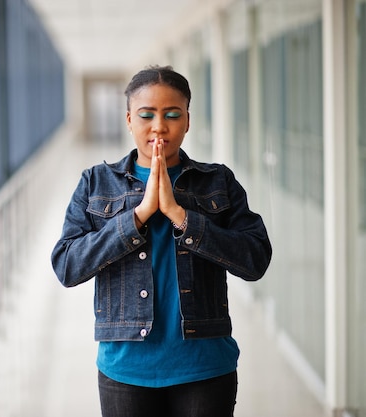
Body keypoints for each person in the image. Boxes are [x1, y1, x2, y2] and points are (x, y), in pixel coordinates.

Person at [50, 65, 272, 417]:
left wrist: (180, 216)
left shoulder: (217, 181)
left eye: (172, 114)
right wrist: (137, 216)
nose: (159, 126)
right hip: (126, 372)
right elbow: (67, 265)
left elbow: (256, 258)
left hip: (205, 367)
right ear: (128, 120)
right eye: (146, 115)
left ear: (187, 120)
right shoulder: (95, 183)